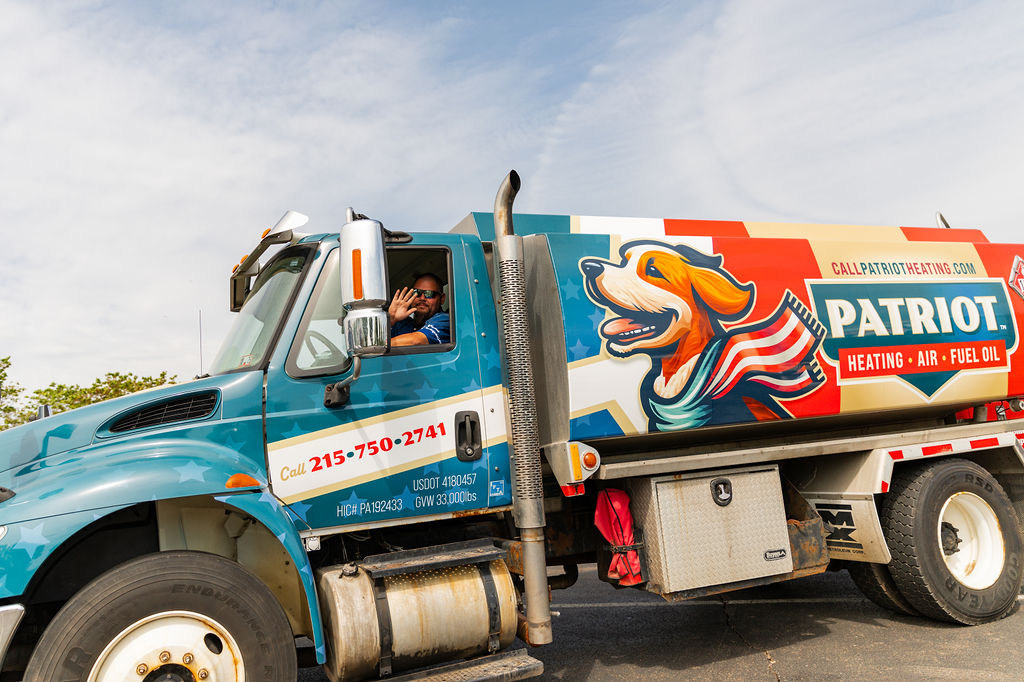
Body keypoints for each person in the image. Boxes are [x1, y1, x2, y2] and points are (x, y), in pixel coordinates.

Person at [388, 273, 451, 346]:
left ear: (442, 299)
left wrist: (379, 346)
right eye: (417, 292)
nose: (422, 298)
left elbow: (416, 341)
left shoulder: (445, 320)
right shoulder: (402, 323)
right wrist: (391, 319)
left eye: (429, 294)